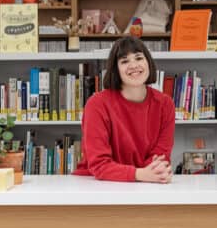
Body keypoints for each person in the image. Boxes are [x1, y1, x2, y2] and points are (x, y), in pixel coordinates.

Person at [75, 35, 174, 183]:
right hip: (97, 185)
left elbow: (159, 158)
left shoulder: (165, 104)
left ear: (148, 63)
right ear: (116, 69)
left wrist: (151, 172)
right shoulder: (96, 104)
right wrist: (140, 174)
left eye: (139, 58)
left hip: (144, 183)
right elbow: (100, 165)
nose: (134, 65)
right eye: (125, 61)